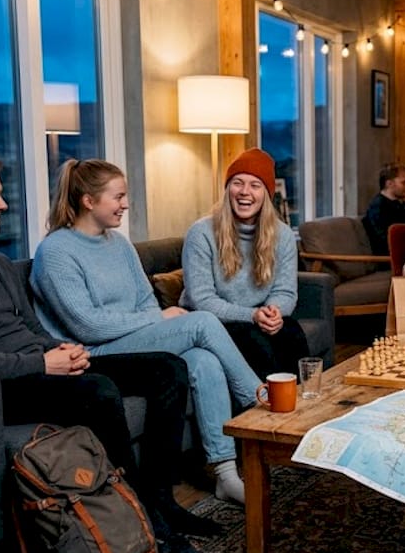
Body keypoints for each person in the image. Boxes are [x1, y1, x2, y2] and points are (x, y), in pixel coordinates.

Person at [0, 148, 209, 553]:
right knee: (97, 391)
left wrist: (58, 349)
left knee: (166, 369)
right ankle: (141, 518)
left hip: (40, 367)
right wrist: (41, 364)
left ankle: (161, 500)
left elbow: (29, 327)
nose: (3, 204)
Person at [30, 158, 261, 506]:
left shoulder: (119, 244)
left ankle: (226, 475)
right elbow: (87, 325)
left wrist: (153, 317)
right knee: (201, 322)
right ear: (89, 201)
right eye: (118, 197)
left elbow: (144, 300)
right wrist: (157, 319)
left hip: (130, 340)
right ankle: (259, 398)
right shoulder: (56, 251)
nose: (125, 204)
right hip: (93, 353)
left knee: (204, 360)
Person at [182, 148, 310, 379]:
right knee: (255, 342)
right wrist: (252, 315)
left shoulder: (283, 235)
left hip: (257, 316)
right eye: (238, 183)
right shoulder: (201, 233)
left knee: (291, 331)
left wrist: (273, 312)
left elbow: (285, 291)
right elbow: (201, 300)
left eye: (255, 185)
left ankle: (302, 400)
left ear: (266, 194)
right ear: (228, 189)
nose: (244, 192)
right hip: (213, 321)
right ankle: (264, 401)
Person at [362, 162, 405, 257]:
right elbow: (386, 240)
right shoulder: (378, 207)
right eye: (404, 183)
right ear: (389, 184)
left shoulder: (402, 204)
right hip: (394, 257)